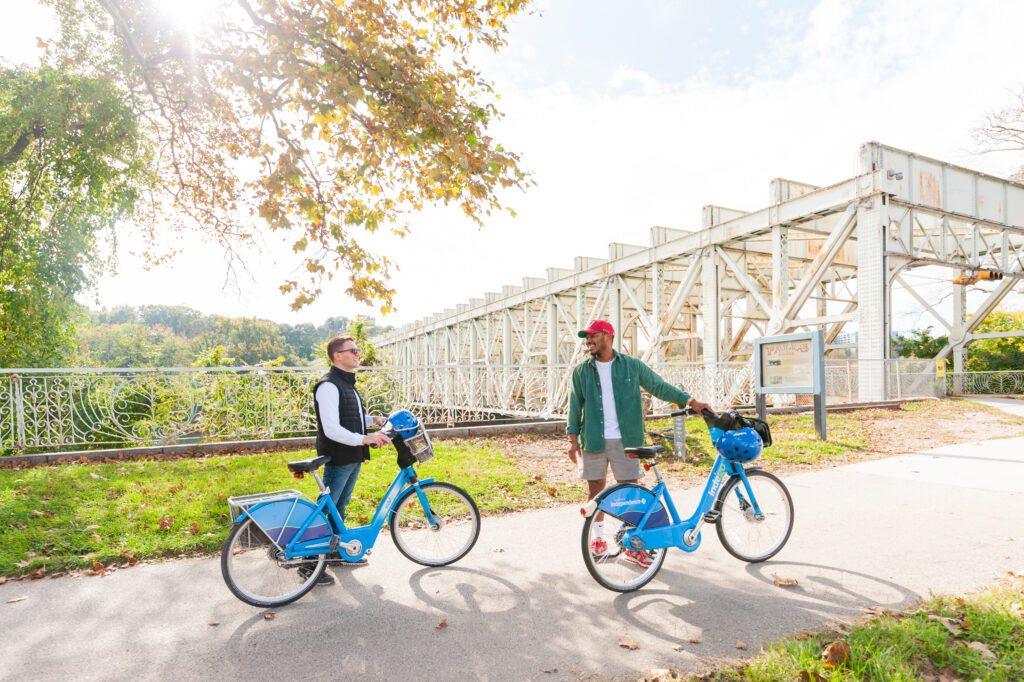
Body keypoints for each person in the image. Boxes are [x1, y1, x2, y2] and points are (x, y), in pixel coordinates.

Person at [566, 320, 713, 567]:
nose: (588, 341)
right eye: (586, 338)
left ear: (608, 336)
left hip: (627, 439)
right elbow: (574, 406)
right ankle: (598, 540)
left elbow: (658, 387)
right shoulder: (581, 371)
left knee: (630, 494)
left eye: (592, 336)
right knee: (596, 493)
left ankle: (632, 546)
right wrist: (572, 440)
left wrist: (690, 401)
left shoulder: (632, 366)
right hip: (592, 438)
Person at [304, 335, 391, 584]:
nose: (357, 354)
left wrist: (370, 421)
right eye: (352, 350)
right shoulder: (329, 385)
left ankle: (334, 553)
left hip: (352, 455)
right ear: (337, 356)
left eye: (357, 350)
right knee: (327, 509)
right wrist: (365, 439)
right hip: (338, 455)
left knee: (339, 506)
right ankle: (309, 564)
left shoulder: (347, 383)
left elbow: (348, 419)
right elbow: (331, 428)